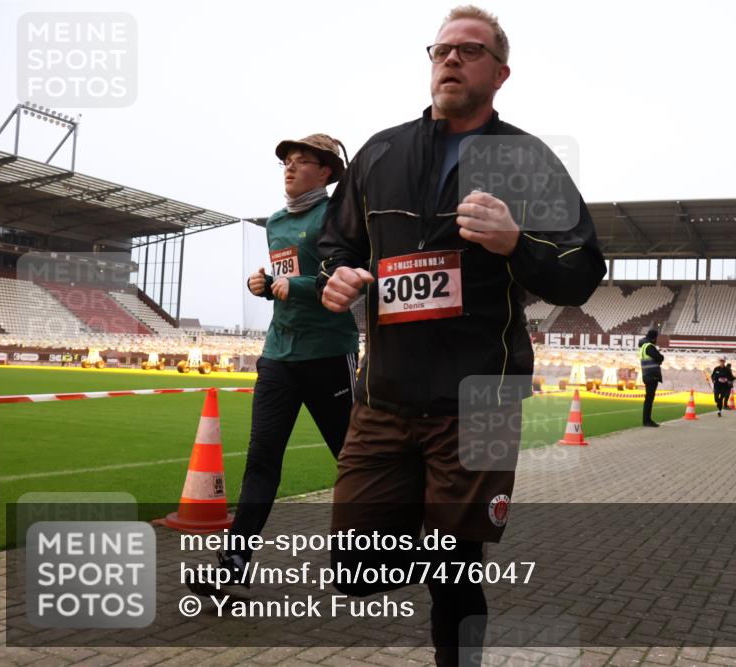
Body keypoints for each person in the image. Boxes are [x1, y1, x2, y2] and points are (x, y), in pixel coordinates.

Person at [316, 6, 606, 665]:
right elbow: (336, 244)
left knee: (456, 568)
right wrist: (336, 276)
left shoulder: (527, 161)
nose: (450, 58)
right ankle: (436, 529)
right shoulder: (380, 152)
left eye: (469, 50)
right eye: (441, 49)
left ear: (500, 73)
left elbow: (582, 269)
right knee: (359, 570)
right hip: (383, 395)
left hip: (482, 398)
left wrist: (515, 242)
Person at [187, 133, 358, 597]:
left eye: (302, 162)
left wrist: (297, 287)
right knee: (262, 458)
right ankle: (233, 564)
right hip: (279, 356)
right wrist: (265, 283)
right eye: (286, 161)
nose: (290, 168)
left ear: (325, 172)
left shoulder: (340, 217)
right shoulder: (277, 221)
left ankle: (372, 551)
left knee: (354, 460)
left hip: (328, 355)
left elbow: (341, 275)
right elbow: (286, 276)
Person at [638, 328, 664, 427]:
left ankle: (646, 420)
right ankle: (647, 421)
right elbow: (660, 357)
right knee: (649, 399)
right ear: (654, 338)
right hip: (651, 375)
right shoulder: (649, 347)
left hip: (646, 374)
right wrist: (659, 359)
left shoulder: (643, 346)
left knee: (648, 399)